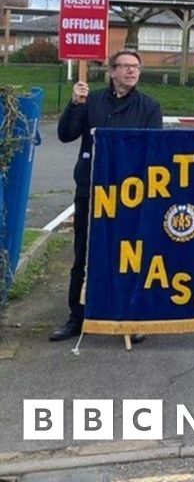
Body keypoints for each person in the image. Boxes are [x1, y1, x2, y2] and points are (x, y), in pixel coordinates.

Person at [51, 50, 162, 342]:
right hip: (91, 188)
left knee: (129, 255)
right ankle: (78, 315)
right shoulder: (93, 101)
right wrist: (75, 105)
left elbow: (153, 149)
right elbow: (66, 134)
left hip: (130, 195)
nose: (131, 72)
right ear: (111, 71)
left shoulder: (149, 106)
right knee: (84, 253)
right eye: (125, 66)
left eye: (135, 67)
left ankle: (130, 316)